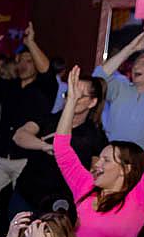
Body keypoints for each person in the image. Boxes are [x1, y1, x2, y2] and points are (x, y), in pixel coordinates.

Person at [54, 65, 144, 237]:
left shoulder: (140, 198)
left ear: (125, 169)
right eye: (99, 158)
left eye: (106, 160)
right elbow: (62, 149)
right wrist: (72, 102)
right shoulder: (85, 187)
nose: (97, 164)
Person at [0, 22, 56, 206]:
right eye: (21, 60)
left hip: (26, 160)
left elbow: (48, 72)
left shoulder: (45, 89)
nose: (23, 65)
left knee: (24, 206)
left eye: (29, 61)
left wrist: (31, 43)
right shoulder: (9, 86)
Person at [10, 71, 107, 217]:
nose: (71, 98)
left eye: (78, 96)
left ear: (92, 102)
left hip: (59, 208)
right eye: (69, 93)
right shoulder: (50, 119)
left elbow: (95, 173)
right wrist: (45, 146)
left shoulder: (95, 135)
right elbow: (19, 136)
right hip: (26, 196)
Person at [93, 22, 144, 153]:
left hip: (143, 161)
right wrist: (130, 49)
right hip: (113, 158)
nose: (137, 66)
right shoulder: (121, 88)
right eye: (136, 62)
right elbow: (98, 78)